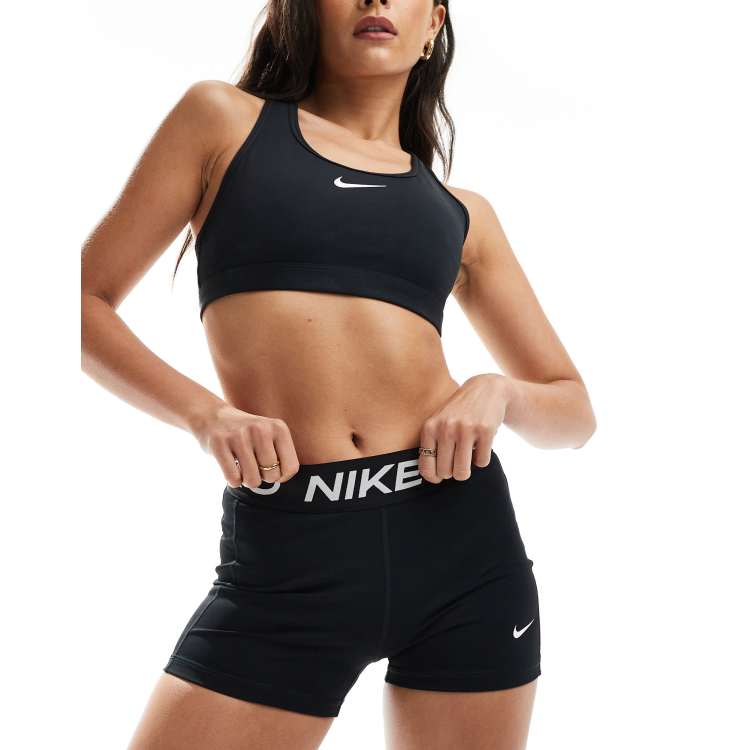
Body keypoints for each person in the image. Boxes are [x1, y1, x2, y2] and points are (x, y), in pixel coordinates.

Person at [81, 1, 596, 748]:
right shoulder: (223, 124)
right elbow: (76, 303)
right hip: (292, 555)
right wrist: (204, 413)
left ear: (434, 25)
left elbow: (574, 413)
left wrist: (501, 392)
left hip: (463, 551)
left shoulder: (462, 214)